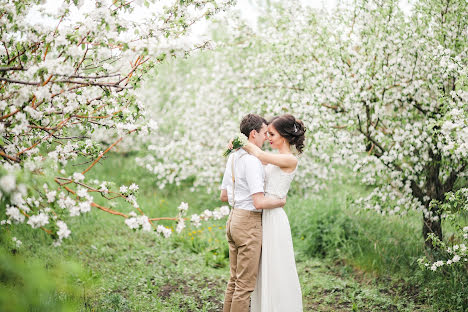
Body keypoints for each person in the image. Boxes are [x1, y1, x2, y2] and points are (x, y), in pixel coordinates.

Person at [220, 114, 287, 312]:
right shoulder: (252, 162)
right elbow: (258, 201)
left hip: (233, 219)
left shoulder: (233, 157)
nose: (267, 137)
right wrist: (279, 201)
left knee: (234, 281)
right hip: (248, 222)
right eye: (265, 133)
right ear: (253, 134)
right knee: (244, 286)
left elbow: (224, 195)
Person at [244, 114, 306, 312]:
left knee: (277, 268)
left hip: (275, 219)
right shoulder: (275, 159)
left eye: (272, 134)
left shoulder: (289, 159)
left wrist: (240, 141)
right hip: (264, 214)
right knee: (263, 269)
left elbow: (260, 156)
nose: (268, 137)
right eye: (267, 133)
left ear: (285, 135)